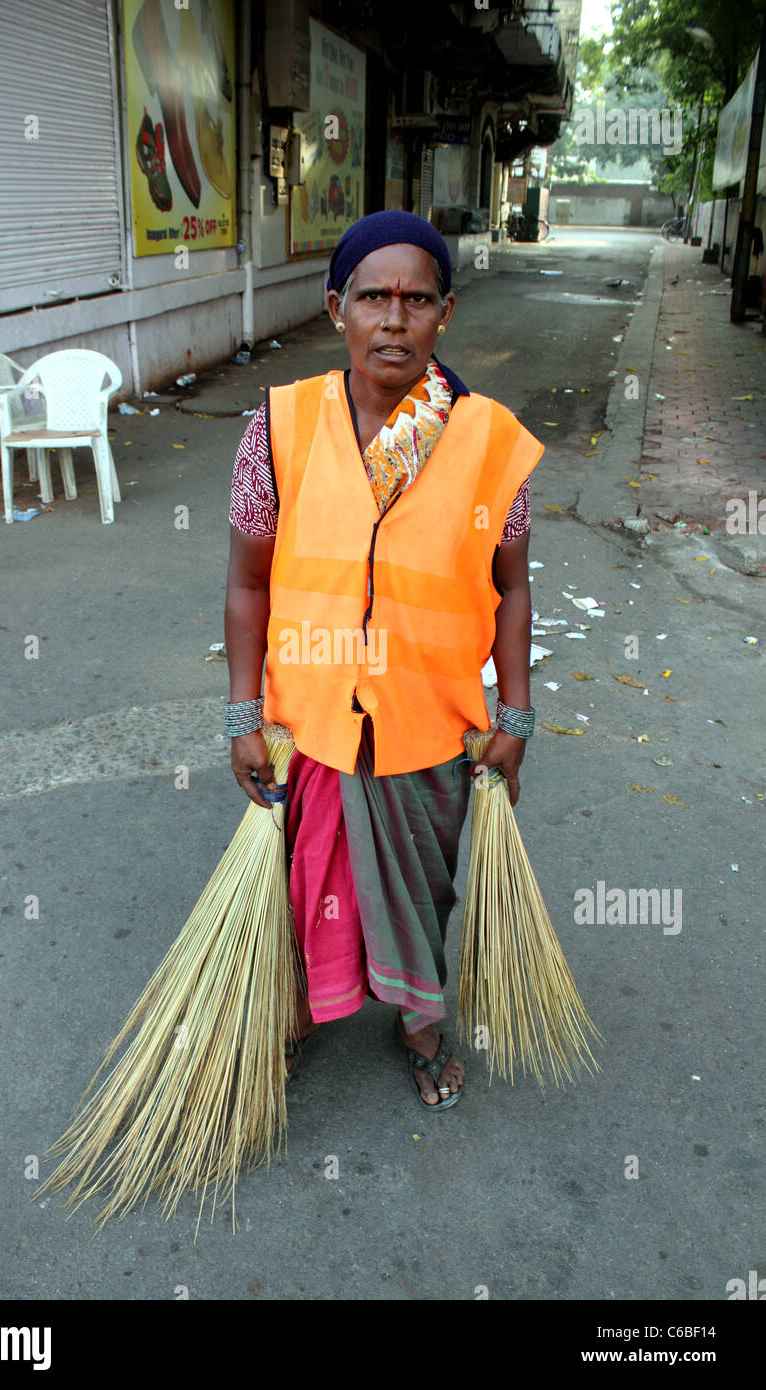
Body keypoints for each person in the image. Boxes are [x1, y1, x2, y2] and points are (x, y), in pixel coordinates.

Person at [224, 210, 543, 1109]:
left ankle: (419, 1020)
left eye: (416, 299)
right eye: (374, 296)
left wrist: (514, 717)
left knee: (423, 890)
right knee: (302, 889)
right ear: (337, 309)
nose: (394, 319)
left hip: (430, 731)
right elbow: (248, 584)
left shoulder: (489, 442)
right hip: (313, 729)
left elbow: (513, 588)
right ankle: (290, 1015)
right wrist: (241, 716)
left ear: (447, 313)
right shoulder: (277, 431)